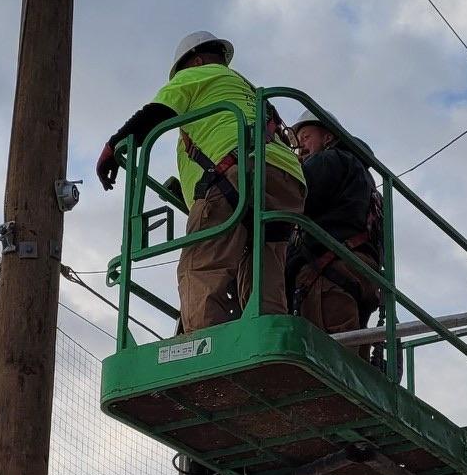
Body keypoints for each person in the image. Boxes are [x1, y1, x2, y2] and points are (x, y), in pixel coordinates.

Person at [96, 31, 307, 331]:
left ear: (194, 61)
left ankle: (206, 349)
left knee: (200, 266)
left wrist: (113, 146)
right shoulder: (244, 91)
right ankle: (267, 335)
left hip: (238, 172)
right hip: (287, 180)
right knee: (262, 268)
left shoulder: (198, 75)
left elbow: (154, 113)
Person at [282, 110, 383, 338]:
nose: (301, 147)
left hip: (328, 274)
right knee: (349, 356)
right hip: (359, 275)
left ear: (328, 138)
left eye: (306, 137)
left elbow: (291, 197)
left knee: (321, 357)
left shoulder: (329, 160)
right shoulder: (367, 184)